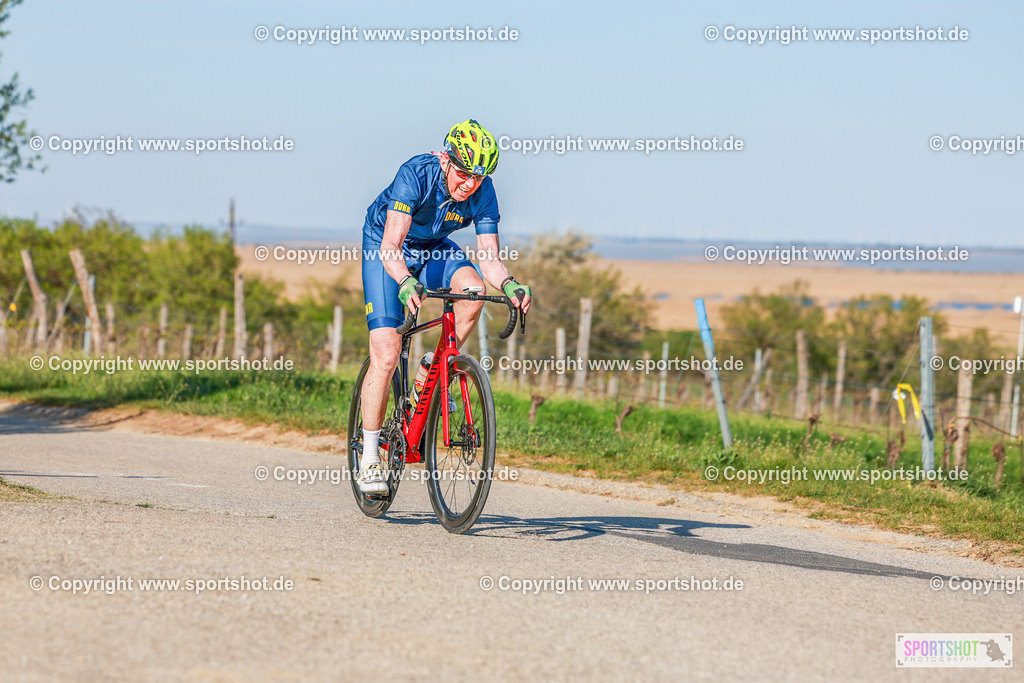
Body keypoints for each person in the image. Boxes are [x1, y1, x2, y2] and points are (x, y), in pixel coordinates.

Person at [357, 119, 532, 494]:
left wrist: (511, 285)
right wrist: (405, 281)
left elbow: (489, 260)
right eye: (466, 173)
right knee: (386, 353)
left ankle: (430, 373)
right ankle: (370, 455)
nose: (471, 184)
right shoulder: (416, 174)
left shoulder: (483, 193)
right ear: (447, 160)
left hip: (433, 247)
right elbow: (392, 246)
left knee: (472, 289)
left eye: (480, 177)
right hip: (386, 248)